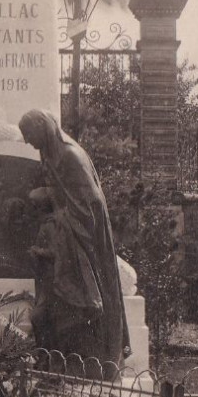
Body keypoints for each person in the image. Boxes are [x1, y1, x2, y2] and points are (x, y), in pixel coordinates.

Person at [18, 110, 131, 375]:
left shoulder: (71, 156)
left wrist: (58, 217)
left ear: (41, 129)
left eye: (28, 136)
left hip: (82, 241)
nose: (27, 143)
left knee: (79, 305)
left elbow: (91, 207)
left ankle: (87, 366)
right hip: (63, 238)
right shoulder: (49, 153)